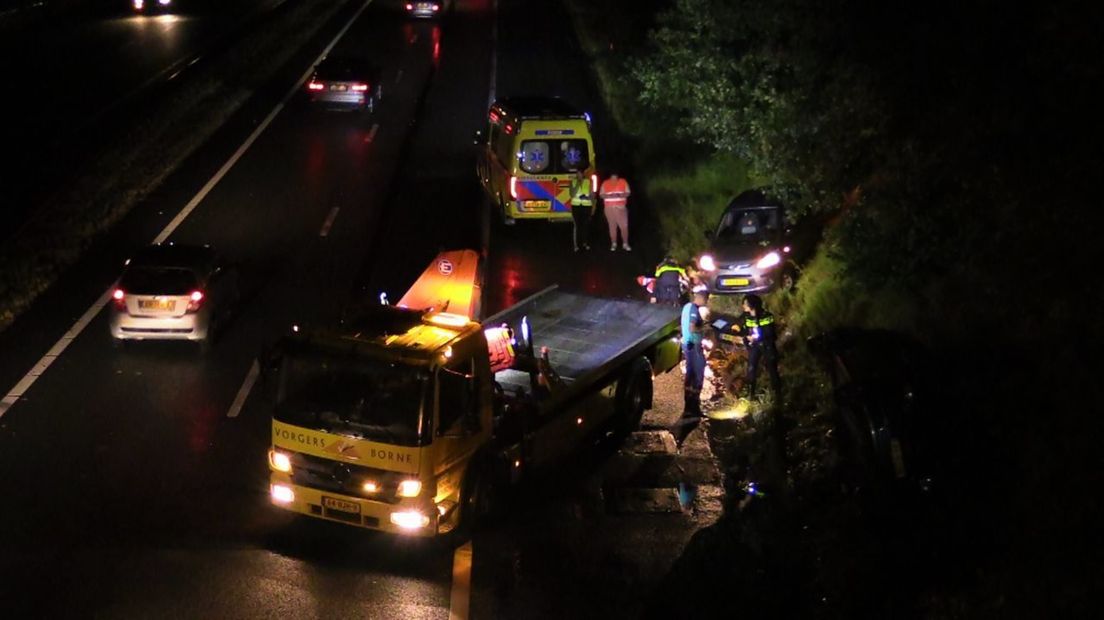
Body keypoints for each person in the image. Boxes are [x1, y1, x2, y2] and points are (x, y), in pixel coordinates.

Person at [672, 288, 709, 445]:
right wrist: (706, 327)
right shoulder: (694, 310)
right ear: (700, 298)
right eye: (706, 299)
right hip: (694, 345)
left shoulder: (687, 307)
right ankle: (694, 407)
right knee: (698, 376)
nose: (706, 302)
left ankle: (689, 405)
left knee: (690, 375)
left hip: (688, 345)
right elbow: (693, 327)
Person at [740, 294, 782, 403]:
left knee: (772, 370)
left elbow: (770, 333)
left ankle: (778, 396)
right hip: (754, 346)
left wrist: (757, 339)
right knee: (751, 368)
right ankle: (750, 395)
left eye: (745, 304)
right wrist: (747, 339)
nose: (743, 306)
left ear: (752, 305)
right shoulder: (746, 317)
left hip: (767, 346)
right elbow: (745, 331)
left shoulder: (766, 316)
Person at [598, 172, 631, 251]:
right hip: (609, 208)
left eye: (615, 177)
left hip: (621, 208)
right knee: (612, 226)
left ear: (617, 176)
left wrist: (620, 195)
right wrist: (609, 196)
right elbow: (601, 195)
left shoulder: (623, 181)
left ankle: (625, 243)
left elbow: (628, 192)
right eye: (613, 177)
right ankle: (614, 243)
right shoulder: (605, 183)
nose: (614, 179)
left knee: (624, 226)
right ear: (610, 177)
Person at [569, 170, 594, 251]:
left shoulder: (589, 182)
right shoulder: (573, 182)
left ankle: (585, 243)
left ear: (583, 174)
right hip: (576, 206)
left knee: (585, 225)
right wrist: (577, 185)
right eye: (577, 174)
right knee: (576, 225)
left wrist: (586, 197)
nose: (578, 175)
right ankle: (576, 245)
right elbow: (572, 195)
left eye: (580, 173)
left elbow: (592, 195)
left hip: (586, 206)